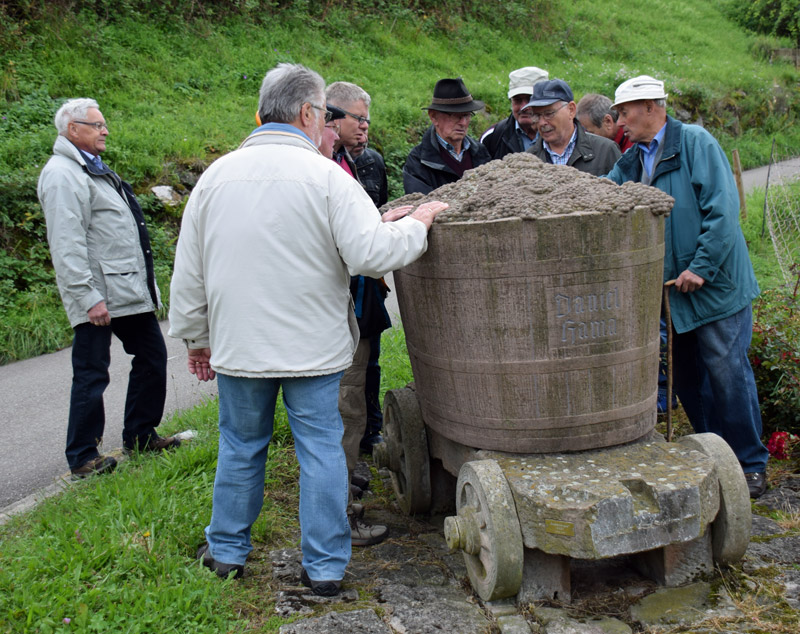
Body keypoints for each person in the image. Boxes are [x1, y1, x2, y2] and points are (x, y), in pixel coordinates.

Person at [168, 63, 447, 594]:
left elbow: (190, 271)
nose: (326, 123)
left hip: (240, 346)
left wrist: (196, 338)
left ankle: (226, 551)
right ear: (304, 113)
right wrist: (417, 224)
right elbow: (369, 254)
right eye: (323, 112)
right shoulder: (328, 178)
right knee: (320, 450)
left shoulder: (215, 177)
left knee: (240, 445)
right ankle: (324, 567)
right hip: (313, 350)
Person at [605, 75, 769, 498]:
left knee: (727, 374)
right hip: (675, 293)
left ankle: (750, 463)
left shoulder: (695, 143)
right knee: (688, 380)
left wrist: (701, 267)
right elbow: (604, 193)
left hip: (715, 287)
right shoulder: (632, 160)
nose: (620, 123)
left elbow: (723, 209)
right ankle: (716, 456)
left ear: (651, 107)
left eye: (625, 113)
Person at [37, 98, 179, 479]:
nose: (105, 131)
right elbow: (66, 244)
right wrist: (88, 297)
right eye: (97, 125)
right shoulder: (62, 174)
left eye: (104, 124)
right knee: (92, 372)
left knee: (152, 356)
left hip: (124, 289)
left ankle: (141, 435)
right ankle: (83, 456)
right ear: (73, 129)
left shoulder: (91, 169)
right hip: (97, 295)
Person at [324, 81, 390, 546]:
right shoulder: (322, 169)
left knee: (354, 394)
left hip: (361, 300)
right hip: (333, 307)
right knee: (342, 405)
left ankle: (345, 483)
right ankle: (338, 515)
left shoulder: (360, 163)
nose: (364, 127)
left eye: (368, 120)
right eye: (357, 119)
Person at [403, 77, 492, 195]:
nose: (463, 122)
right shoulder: (418, 161)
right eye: (455, 115)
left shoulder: (479, 152)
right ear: (433, 117)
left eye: (467, 115)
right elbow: (421, 203)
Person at [523, 79, 621, 176]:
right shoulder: (527, 160)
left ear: (571, 110)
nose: (542, 123)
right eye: (536, 115)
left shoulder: (605, 150)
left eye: (548, 114)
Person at [480, 66, 549, 159]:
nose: (524, 107)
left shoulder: (561, 134)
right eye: (518, 100)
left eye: (530, 99)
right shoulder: (492, 137)